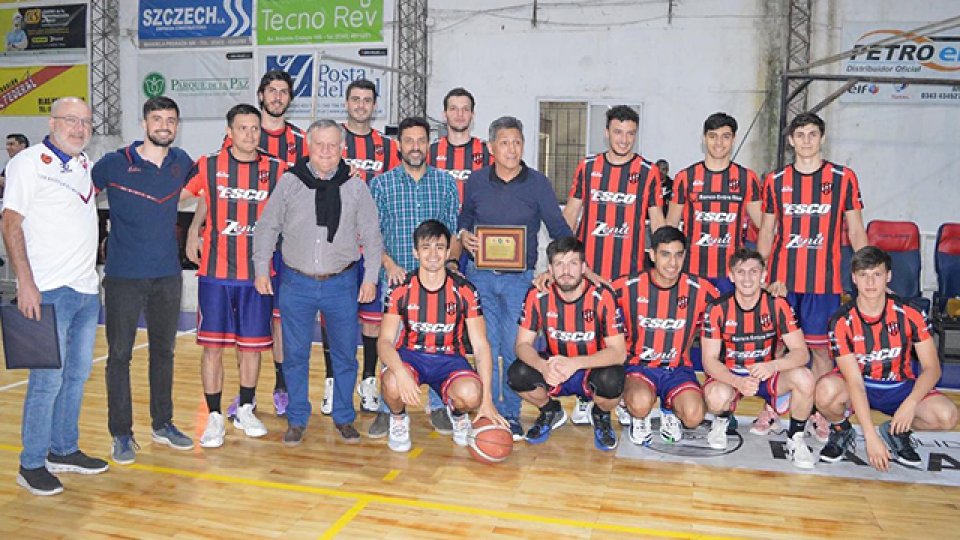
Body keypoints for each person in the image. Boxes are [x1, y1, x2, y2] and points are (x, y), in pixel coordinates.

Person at [2, 97, 108, 496]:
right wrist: (24, 284)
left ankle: (62, 449)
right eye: (71, 121)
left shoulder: (85, 166)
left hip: (84, 291)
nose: (79, 128)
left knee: (77, 375)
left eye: (85, 122)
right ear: (52, 123)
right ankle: (30, 464)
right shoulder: (27, 163)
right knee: (46, 380)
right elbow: (10, 223)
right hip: (45, 290)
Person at [253, 119, 383, 446]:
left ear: (342, 149)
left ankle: (343, 417)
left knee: (344, 355)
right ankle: (297, 418)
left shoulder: (355, 187)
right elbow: (268, 226)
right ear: (309, 147)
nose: (326, 152)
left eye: (333, 145)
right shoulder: (290, 182)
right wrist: (260, 268)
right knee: (295, 354)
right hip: (296, 283)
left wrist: (369, 278)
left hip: (342, 283)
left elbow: (372, 235)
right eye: (320, 145)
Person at [92, 97, 195, 464]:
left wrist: (195, 229)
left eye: (170, 119)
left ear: (177, 125)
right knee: (119, 356)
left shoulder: (182, 162)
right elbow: (80, 195)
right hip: (123, 276)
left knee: (163, 353)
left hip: (167, 274)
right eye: (157, 119)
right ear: (144, 123)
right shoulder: (114, 163)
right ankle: (121, 433)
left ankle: (162, 423)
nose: (164, 125)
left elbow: (204, 191)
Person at [459, 116, 573, 439]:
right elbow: (465, 217)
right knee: (485, 346)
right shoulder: (477, 181)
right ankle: (485, 408)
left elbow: (559, 230)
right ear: (491, 147)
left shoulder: (538, 184)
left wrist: (554, 268)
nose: (512, 149)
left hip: (519, 280)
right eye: (505, 143)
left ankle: (509, 413)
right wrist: (465, 234)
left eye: (518, 142)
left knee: (512, 347)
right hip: (479, 275)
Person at [757, 112, 868, 442]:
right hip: (781, 282)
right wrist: (761, 276)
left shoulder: (843, 177)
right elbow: (766, 231)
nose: (806, 140)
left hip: (825, 282)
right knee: (778, 347)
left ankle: (819, 412)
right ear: (790, 140)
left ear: (822, 138)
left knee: (820, 352)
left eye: (812, 134)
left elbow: (856, 228)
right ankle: (775, 408)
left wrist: (865, 273)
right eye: (800, 134)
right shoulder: (775, 181)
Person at [182, 104, 286, 448]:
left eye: (255, 128)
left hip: (257, 274)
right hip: (215, 272)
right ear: (230, 131)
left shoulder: (277, 169)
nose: (250, 134)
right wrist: (194, 228)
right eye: (242, 128)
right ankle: (213, 416)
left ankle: (244, 407)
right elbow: (197, 196)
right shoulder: (209, 165)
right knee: (212, 348)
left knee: (251, 348)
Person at [210, 70, 309, 420]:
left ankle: (281, 387)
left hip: (286, 247)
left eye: (284, 92)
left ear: (289, 98)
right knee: (244, 327)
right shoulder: (242, 133)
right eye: (272, 91)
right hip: (241, 251)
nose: (278, 97)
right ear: (261, 94)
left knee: (280, 321)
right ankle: (244, 396)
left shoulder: (300, 141)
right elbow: (215, 188)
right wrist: (196, 228)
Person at [561, 105, 664, 425]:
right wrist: (565, 262)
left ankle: (617, 396)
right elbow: (571, 215)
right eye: (618, 132)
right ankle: (582, 396)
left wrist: (660, 264)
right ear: (606, 132)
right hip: (588, 273)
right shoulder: (588, 167)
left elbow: (657, 222)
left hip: (629, 276)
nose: (624, 139)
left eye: (630, 133)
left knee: (626, 340)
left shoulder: (648, 172)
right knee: (583, 335)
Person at [817, 246, 958, 470]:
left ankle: (895, 431)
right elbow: (854, 382)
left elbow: (932, 368)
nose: (870, 282)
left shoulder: (911, 313)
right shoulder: (841, 321)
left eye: (877, 274)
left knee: (946, 416)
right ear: (854, 278)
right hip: (860, 385)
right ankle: (841, 430)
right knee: (825, 391)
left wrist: (910, 404)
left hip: (899, 386)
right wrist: (870, 437)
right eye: (864, 275)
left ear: (889, 276)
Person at [367, 117, 461, 438]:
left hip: (437, 285)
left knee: (437, 344)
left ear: (429, 144)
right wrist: (388, 264)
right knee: (391, 344)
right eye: (409, 140)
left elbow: (453, 232)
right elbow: (371, 233)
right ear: (399, 145)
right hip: (396, 282)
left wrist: (450, 265)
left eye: (421, 140)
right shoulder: (381, 185)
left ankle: (437, 406)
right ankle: (387, 409)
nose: (416, 146)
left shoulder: (446, 183)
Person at [379, 220, 505, 451]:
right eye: (426, 247)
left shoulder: (465, 290)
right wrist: (399, 371)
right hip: (411, 356)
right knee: (393, 383)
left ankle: (458, 416)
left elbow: (480, 346)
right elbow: (384, 342)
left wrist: (487, 399)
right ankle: (398, 419)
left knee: (471, 394)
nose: (433, 254)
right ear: (415, 252)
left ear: (448, 252)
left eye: (439, 247)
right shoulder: (400, 289)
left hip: (449, 360)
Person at [700, 248, 816, 469]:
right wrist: (737, 382)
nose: (747, 278)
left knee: (805, 377)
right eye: (741, 272)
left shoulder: (777, 304)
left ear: (763, 275)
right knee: (715, 396)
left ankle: (796, 439)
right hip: (731, 376)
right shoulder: (717, 308)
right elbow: (710, 360)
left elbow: (802, 352)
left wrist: (773, 365)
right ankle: (721, 420)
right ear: (731, 276)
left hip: (766, 373)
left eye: (754, 271)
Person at [510, 236, 626, 451]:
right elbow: (522, 345)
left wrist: (575, 363)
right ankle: (550, 410)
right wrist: (542, 366)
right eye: (559, 264)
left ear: (583, 267)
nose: (566, 270)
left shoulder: (602, 295)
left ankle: (600, 414)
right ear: (550, 269)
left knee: (613, 379)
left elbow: (619, 353)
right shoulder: (537, 295)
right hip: (555, 367)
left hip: (592, 367)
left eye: (573, 263)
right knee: (517, 374)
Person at [612, 226, 718, 446]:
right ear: (652, 255)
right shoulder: (629, 285)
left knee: (693, 416)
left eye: (679, 255)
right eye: (665, 254)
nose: (673, 263)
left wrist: (768, 292)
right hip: (639, 367)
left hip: (678, 369)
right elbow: (593, 298)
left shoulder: (700, 289)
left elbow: (732, 307)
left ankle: (669, 409)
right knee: (640, 404)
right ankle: (635, 413)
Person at [340, 78, 402, 414]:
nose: (361, 105)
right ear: (346, 103)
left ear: (374, 106)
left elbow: (392, 193)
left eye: (367, 100)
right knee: (336, 319)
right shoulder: (331, 141)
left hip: (374, 248)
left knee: (371, 321)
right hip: (337, 246)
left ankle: (367, 382)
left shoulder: (387, 148)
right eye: (355, 99)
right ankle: (334, 384)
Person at [666, 112, 762, 295]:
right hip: (692, 270)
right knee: (693, 323)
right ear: (704, 139)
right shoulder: (685, 178)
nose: (719, 143)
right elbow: (670, 228)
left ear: (734, 139)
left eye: (725, 137)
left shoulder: (747, 178)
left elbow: (764, 226)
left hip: (732, 272)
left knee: (729, 323)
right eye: (713, 136)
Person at [428, 87, 493, 203]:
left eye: (465, 109)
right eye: (453, 109)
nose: (460, 114)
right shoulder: (429, 152)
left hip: (476, 220)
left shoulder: (488, 152)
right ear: (444, 115)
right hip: (440, 221)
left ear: (472, 115)